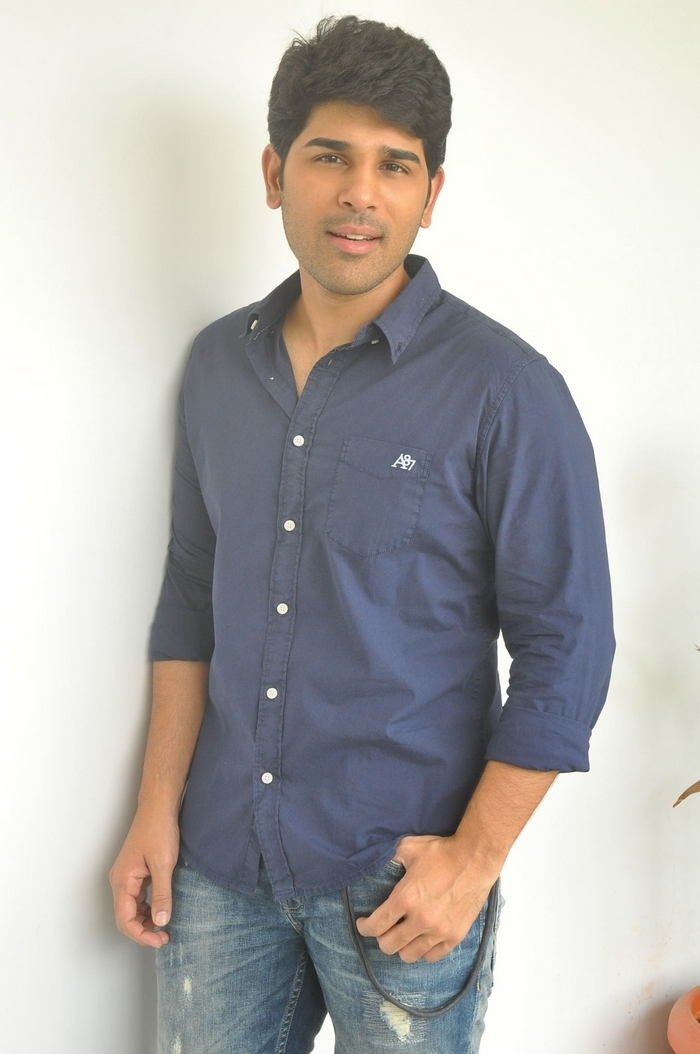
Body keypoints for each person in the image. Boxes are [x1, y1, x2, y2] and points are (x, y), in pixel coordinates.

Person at [109, 15, 615, 1053]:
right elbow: (191, 597)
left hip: (404, 882)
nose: (359, 194)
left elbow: (568, 644)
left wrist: (473, 861)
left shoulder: (507, 391)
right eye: (330, 156)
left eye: (395, 166)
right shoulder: (216, 369)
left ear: (431, 194)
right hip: (219, 865)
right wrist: (155, 810)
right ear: (274, 173)